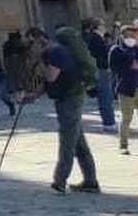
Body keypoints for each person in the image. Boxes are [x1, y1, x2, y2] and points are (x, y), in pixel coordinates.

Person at [25, 26, 101, 196]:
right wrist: (35, 95)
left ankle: (60, 181)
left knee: (67, 140)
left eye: (31, 43)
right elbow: (50, 81)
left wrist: (39, 60)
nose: (30, 47)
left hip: (71, 98)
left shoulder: (56, 52)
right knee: (78, 141)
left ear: (39, 39)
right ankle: (91, 181)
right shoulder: (52, 52)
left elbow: (51, 76)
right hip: (65, 98)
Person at [112, 25, 138, 154]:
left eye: (133, 35)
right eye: (128, 35)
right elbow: (113, 67)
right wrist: (130, 66)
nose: (131, 38)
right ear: (122, 36)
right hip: (126, 89)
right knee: (126, 118)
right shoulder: (117, 50)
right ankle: (123, 145)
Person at [84, 20, 117, 132]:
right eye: (103, 25)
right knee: (106, 96)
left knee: (106, 96)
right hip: (101, 69)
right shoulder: (96, 38)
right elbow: (101, 53)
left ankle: (109, 121)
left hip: (100, 69)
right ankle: (109, 122)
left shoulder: (95, 38)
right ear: (98, 26)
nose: (104, 27)